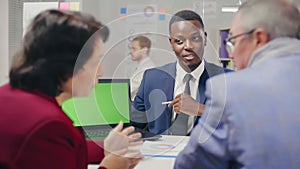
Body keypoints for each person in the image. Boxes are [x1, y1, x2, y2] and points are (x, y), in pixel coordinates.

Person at [0, 9, 142, 169]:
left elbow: (55, 152)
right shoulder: (50, 126)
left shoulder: (8, 96)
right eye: (95, 62)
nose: (101, 71)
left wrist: (104, 148)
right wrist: (111, 167)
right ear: (68, 66)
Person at [175, 0, 300, 168]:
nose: (231, 56)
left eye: (232, 41)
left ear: (259, 38)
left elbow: (191, 165)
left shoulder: (231, 89)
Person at [131, 10, 232, 135]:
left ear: (205, 39)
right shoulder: (152, 78)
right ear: (171, 44)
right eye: (179, 41)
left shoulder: (228, 79)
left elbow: (242, 124)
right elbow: (134, 126)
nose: (188, 46)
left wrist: (201, 109)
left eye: (195, 38)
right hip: (159, 152)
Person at [129, 35, 155, 100]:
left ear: (144, 50)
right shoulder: (141, 67)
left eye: (134, 48)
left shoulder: (148, 69)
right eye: (131, 48)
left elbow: (130, 89)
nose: (130, 52)